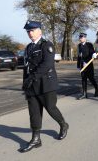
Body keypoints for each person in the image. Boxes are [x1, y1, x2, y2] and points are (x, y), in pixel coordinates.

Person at [20, 20, 68, 153]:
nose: (30, 33)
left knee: (51, 108)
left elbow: (47, 65)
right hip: (32, 85)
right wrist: (25, 82)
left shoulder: (46, 45)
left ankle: (63, 124)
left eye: (33, 30)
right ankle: (36, 139)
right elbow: (27, 67)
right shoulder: (28, 48)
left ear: (40, 31)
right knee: (34, 112)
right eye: (28, 31)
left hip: (46, 84)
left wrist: (32, 78)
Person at [77, 33, 98, 100]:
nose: (81, 39)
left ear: (85, 38)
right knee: (83, 79)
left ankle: (96, 89)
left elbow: (92, 52)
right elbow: (79, 56)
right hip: (82, 65)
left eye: (82, 37)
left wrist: (93, 54)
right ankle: (84, 94)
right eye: (80, 38)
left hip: (89, 65)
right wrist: (78, 65)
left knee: (91, 78)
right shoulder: (79, 45)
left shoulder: (89, 44)